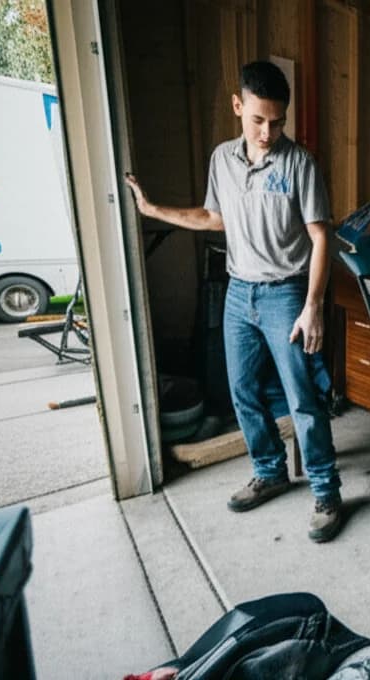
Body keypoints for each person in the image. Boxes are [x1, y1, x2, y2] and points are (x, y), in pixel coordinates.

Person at [124, 60, 343, 543]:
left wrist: (313, 305)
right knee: (241, 391)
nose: (268, 132)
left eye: (278, 121)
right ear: (238, 106)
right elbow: (213, 217)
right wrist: (153, 210)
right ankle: (270, 471)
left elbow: (321, 237)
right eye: (258, 120)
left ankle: (327, 493)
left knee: (303, 398)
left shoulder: (299, 164)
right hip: (239, 293)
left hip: (287, 292)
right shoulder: (222, 159)